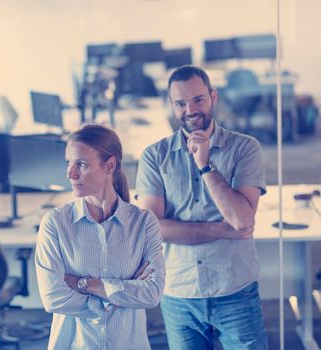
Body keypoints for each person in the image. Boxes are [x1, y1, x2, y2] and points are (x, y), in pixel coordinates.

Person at [135, 65, 268, 349]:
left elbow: (243, 221)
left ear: (213, 97)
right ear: (171, 105)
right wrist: (223, 229)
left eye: (198, 100)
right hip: (179, 292)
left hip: (234, 288)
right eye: (181, 103)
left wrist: (205, 165)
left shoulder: (245, 148)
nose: (190, 109)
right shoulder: (154, 156)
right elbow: (153, 227)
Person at [35, 124, 165, 350]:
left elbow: (152, 294)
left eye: (81, 164)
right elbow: (53, 297)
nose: (70, 173)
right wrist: (120, 294)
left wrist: (85, 284)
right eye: (68, 163)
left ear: (110, 165)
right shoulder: (55, 223)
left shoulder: (143, 224)